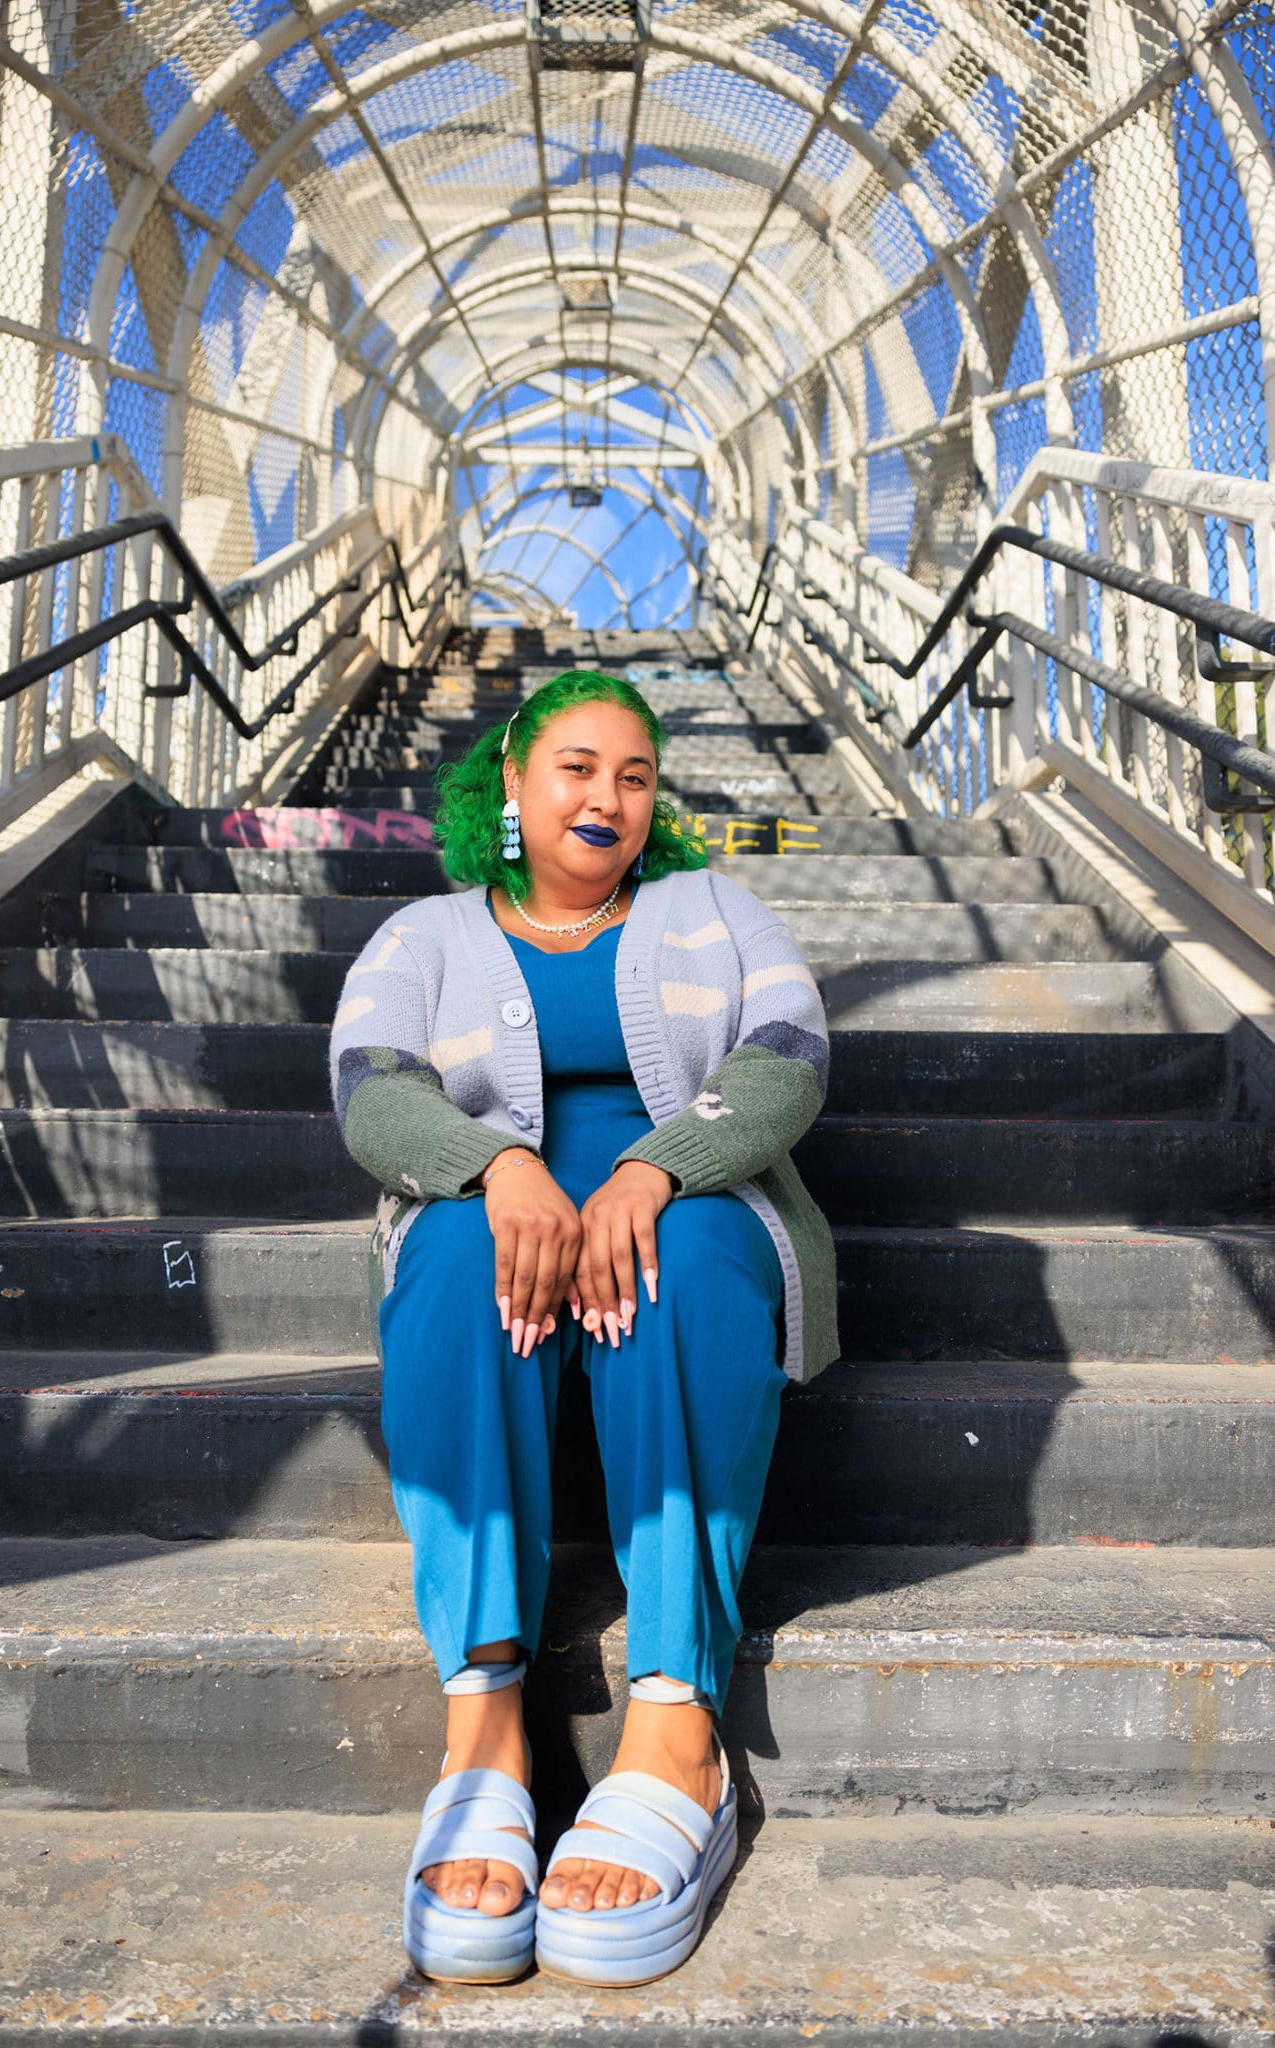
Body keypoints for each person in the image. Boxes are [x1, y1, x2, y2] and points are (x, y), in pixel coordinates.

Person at [329, 668, 839, 1989]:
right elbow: (371, 1088)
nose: (606, 796)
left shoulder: (710, 908)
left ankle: (676, 1721)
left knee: (685, 1263)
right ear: (508, 781)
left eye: (633, 774)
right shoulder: (427, 935)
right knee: (448, 1262)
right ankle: (483, 1719)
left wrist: (649, 1172)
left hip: (688, 1193)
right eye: (574, 766)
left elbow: (783, 1058)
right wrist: (495, 1171)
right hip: (488, 1210)